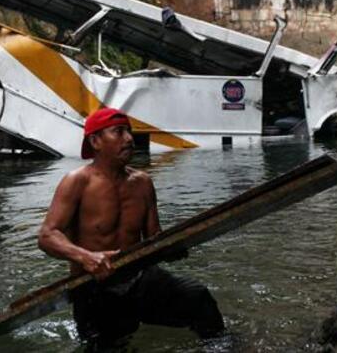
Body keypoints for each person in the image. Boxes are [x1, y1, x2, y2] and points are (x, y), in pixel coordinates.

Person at [38, 107, 225, 347]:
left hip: (141, 279)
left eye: (129, 131)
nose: (128, 138)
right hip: (94, 288)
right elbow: (46, 236)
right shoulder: (77, 181)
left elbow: (153, 239)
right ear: (95, 141)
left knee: (197, 298)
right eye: (118, 132)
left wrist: (172, 248)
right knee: (105, 344)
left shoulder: (142, 183)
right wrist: (86, 257)